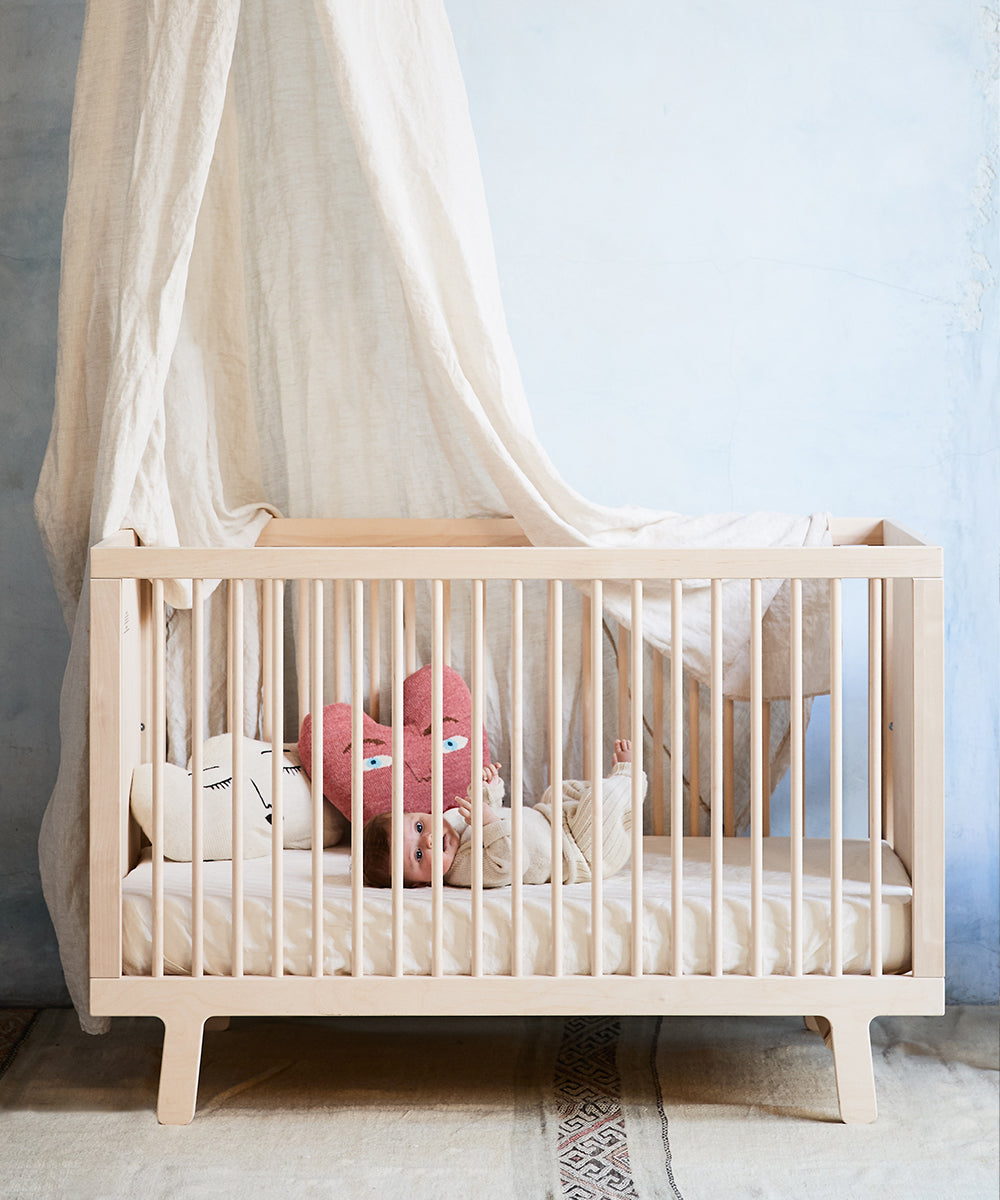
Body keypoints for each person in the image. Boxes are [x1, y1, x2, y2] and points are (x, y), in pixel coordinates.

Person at [362, 740, 644, 888]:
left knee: (560, 790)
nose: (430, 841)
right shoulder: (463, 872)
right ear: (421, 883)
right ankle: (629, 778)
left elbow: (490, 813)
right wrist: (488, 822)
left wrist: (487, 790)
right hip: (581, 853)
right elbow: (511, 861)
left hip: (555, 819)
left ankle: (622, 799)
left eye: (420, 827)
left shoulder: (451, 823)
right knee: (599, 802)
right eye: (419, 856)